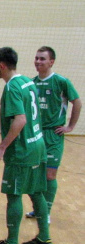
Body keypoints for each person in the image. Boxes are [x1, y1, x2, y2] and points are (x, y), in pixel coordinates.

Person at [0, 47, 51, 244]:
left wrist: (1, 148)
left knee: (14, 194)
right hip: (38, 145)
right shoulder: (28, 82)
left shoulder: (12, 87)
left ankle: (12, 243)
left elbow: (20, 120)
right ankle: (43, 237)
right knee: (36, 192)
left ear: (2, 66)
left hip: (22, 150)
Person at [25, 46, 81, 219]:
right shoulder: (31, 82)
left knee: (50, 174)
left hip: (53, 135)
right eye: (36, 58)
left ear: (51, 61)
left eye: (42, 59)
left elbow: (77, 103)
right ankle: (39, 208)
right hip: (36, 135)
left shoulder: (61, 81)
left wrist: (70, 127)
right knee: (36, 174)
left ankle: (46, 212)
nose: (38, 61)